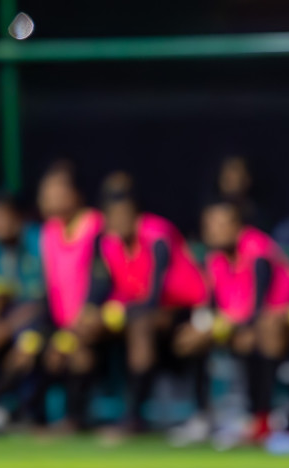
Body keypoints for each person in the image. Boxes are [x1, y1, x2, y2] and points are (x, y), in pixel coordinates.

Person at [78, 183, 207, 434]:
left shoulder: (157, 235)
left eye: (125, 213)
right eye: (113, 215)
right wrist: (91, 312)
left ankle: (132, 418)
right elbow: (101, 287)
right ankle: (75, 416)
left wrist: (119, 313)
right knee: (86, 329)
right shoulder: (108, 243)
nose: (120, 220)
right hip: (140, 311)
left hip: (184, 308)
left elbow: (154, 296)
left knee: (140, 327)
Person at [169, 198, 289, 444]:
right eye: (209, 224)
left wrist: (217, 326)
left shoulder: (258, 251)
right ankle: (202, 415)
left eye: (221, 223)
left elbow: (258, 310)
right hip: (236, 325)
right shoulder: (215, 259)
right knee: (190, 338)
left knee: (249, 338)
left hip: (278, 327)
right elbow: (215, 306)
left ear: (238, 226)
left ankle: (257, 416)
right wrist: (203, 327)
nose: (213, 229)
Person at [0, 191, 47, 429]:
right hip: (5, 319)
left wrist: (4, 328)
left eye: (1, 216)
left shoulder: (38, 241)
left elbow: (41, 301)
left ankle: (27, 411)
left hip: (41, 320)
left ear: (18, 218)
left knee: (27, 341)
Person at [37, 162, 104, 430]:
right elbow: (49, 289)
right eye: (47, 189)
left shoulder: (96, 226)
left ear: (77, 194)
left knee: (78, 348)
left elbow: (103, 278)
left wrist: (86, 314)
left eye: (58, 188)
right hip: (59, 322)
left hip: (93, 318)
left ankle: (75, 417)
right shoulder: (49, 232)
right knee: (28, 346)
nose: (51, 195)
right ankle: (22, 415)